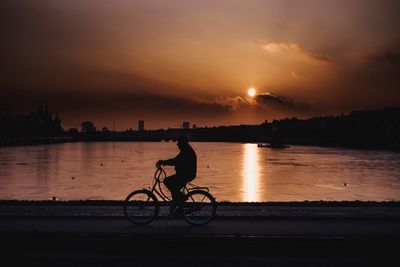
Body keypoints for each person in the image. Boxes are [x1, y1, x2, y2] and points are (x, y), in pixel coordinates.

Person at [156, 136, 197, 215]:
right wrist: (165, 162)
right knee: (174, 188)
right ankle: (178, 207)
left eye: (179, 143)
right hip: (185, 174)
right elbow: (176, 160)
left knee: (167, 181)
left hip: (186, 174)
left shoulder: (186, 151)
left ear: (182, 143)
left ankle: (181, 199)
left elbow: (176, 161)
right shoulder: (186, 150)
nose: (177, 144)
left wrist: (163, 162)